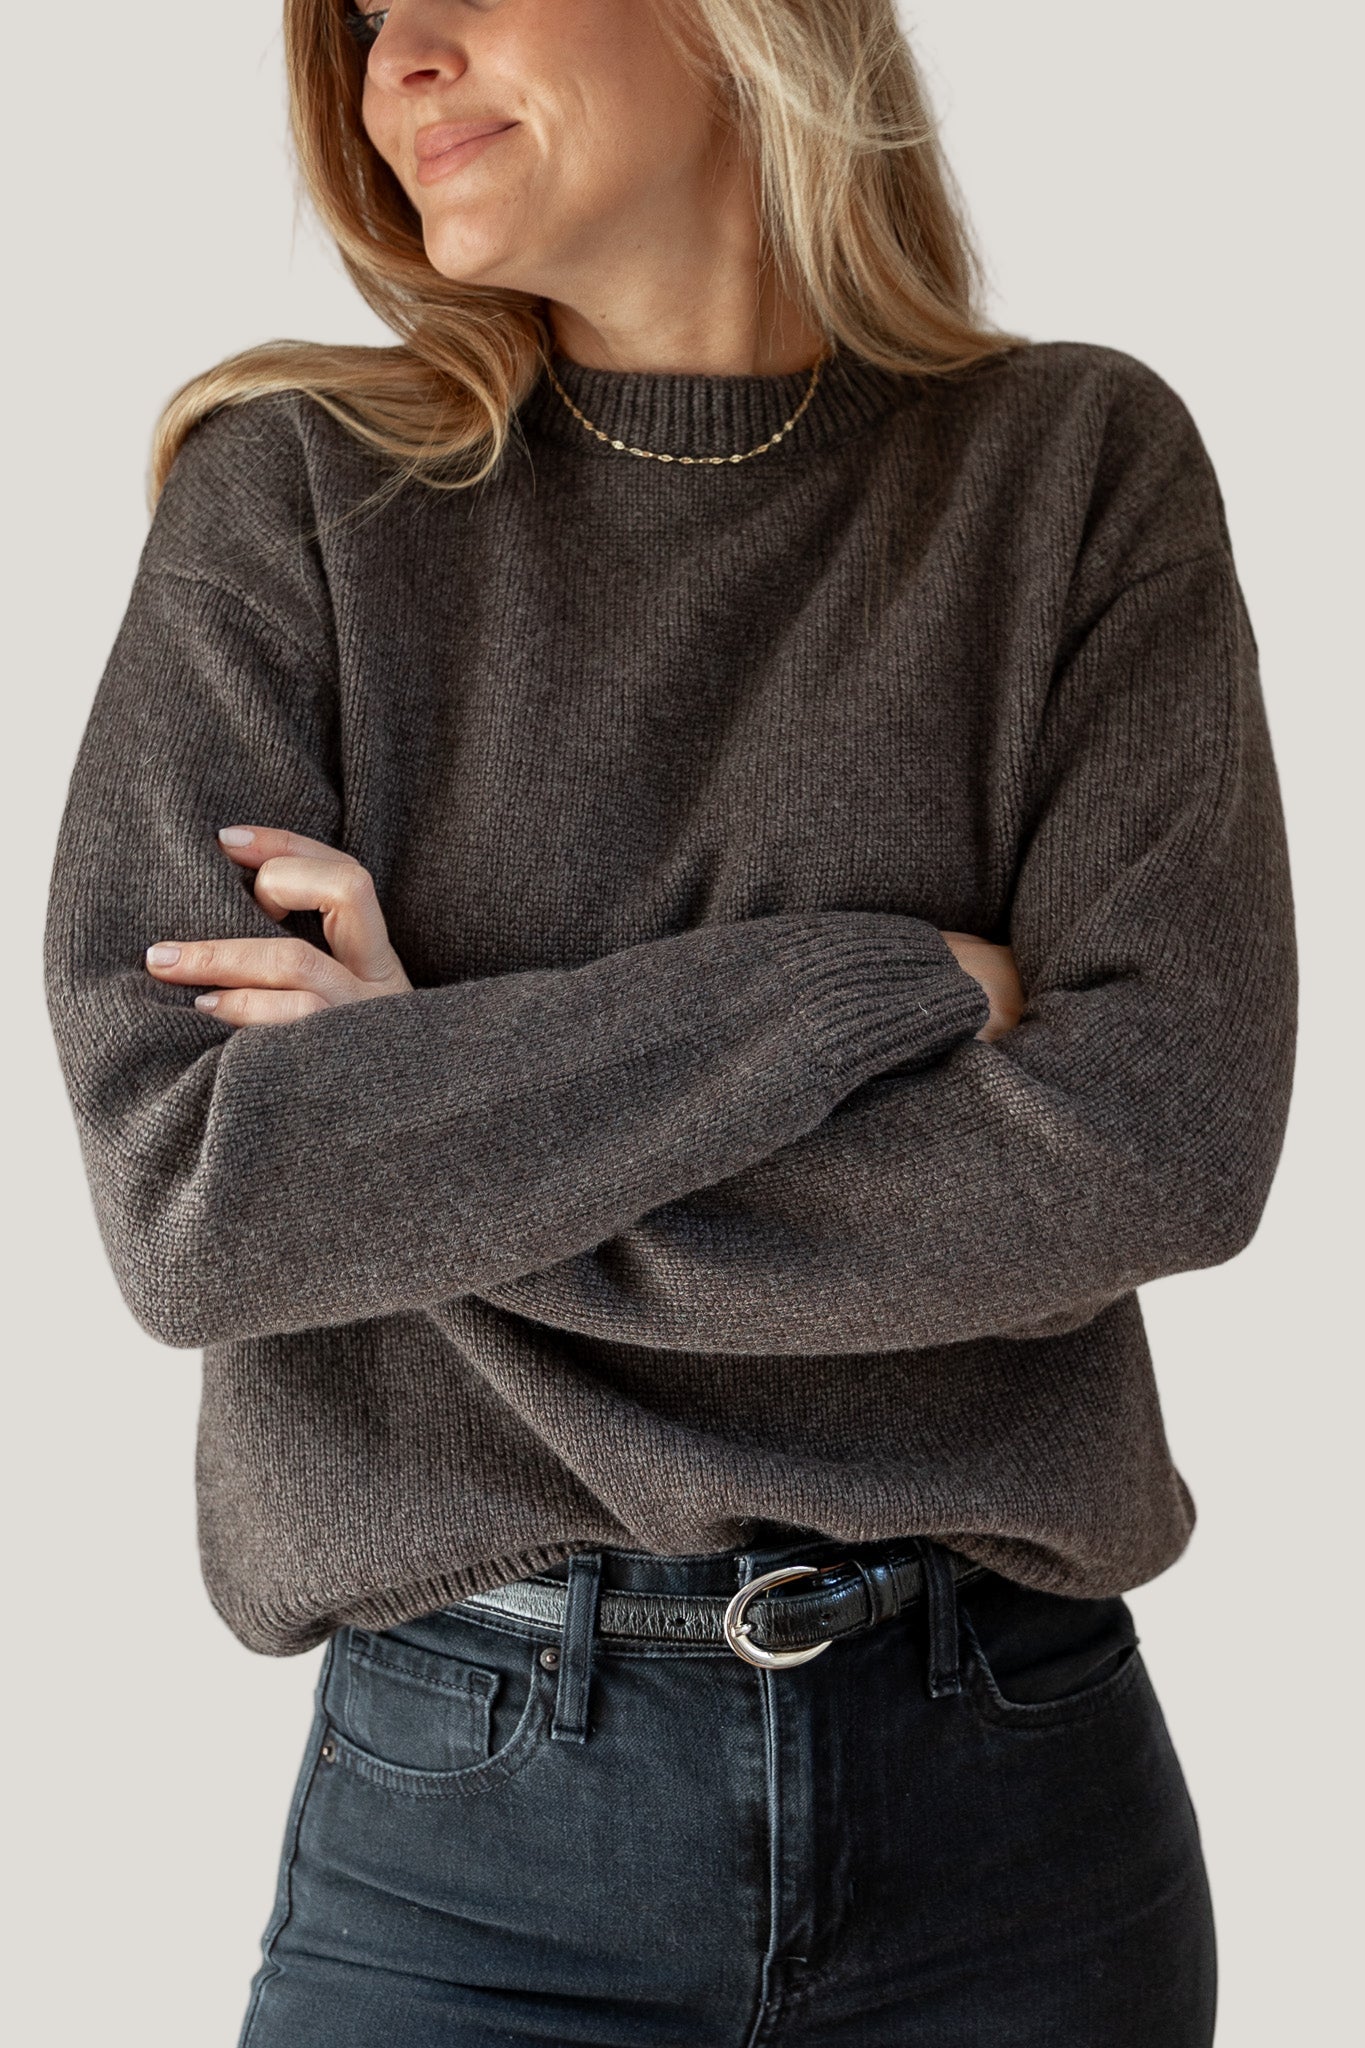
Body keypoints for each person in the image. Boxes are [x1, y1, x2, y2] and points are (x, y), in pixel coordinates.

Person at [42, 1, 1296, 2041]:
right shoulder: (289, 506)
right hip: (470, 1840)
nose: (397, 57)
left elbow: (1158, 1136)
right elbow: (201, 1204)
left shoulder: (1072, 470)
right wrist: (872, 986)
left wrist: (427, 1111)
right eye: (359, 17)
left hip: (1017, 1822)